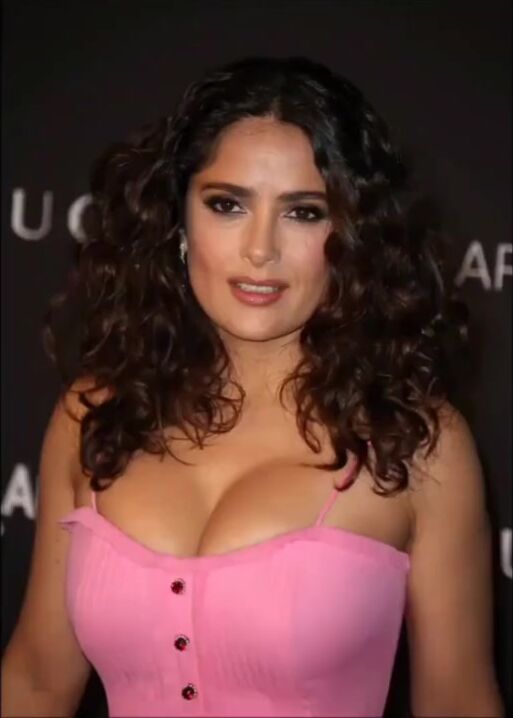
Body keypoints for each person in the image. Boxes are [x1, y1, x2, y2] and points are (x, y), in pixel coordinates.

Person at [1, 55, 504, 718]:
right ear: (178, 219)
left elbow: (458, 701)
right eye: (227, 204)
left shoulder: (414, 443)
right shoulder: (96, 415)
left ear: (351, 235)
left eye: (303, 212)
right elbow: (37, 680)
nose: (260, 249)